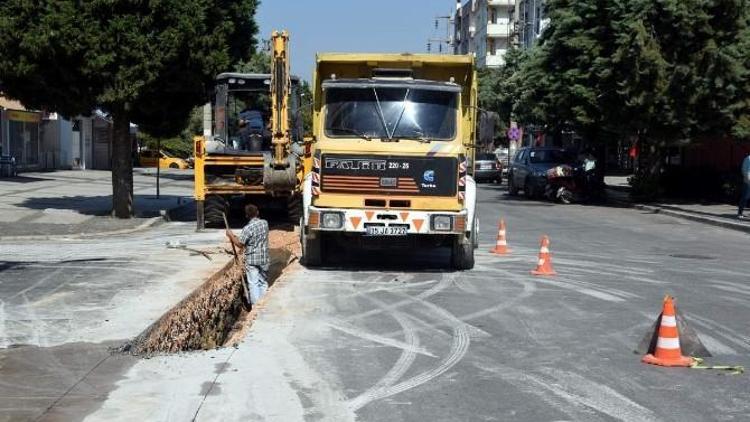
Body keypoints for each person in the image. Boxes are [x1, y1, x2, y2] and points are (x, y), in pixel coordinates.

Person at [226, 204, 270, 304]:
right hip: (264, 259)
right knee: (263, 282)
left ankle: (256, 307)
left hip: (252, 261)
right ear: (257, 212)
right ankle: (264, 304)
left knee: (253, 284)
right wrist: (235, 237)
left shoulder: (247, 229)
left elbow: (240, 244)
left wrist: (231, 236)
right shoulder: (265, 223)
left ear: (246, 215)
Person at [738, 153, 750, 220]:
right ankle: (740, 213)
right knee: (745, 198)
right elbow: (746, 171)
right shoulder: (748, 159)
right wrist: (748, 181)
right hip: (748, 182)